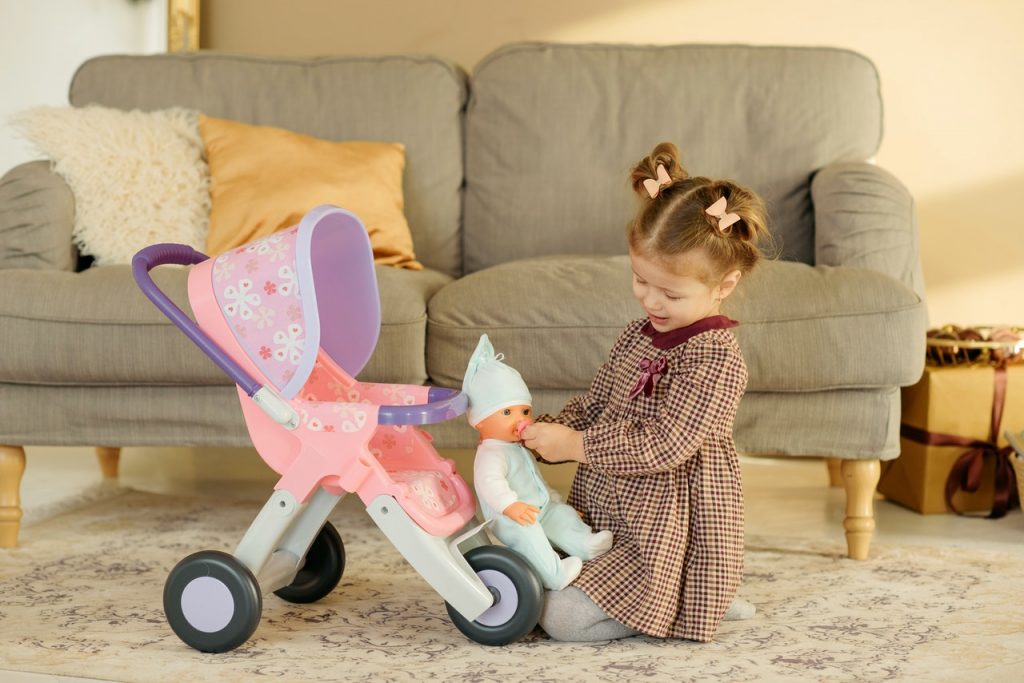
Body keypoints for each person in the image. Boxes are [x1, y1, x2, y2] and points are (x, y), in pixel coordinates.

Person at [521, 141, 769, 642]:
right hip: (613, 511)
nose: (650, 301)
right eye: (640, 280)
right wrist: (547, 427)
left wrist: (576, 447)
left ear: (724, 285)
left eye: (671, 293)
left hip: (668, 524)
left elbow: (665, 444)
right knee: (542, 577)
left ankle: (684, 604)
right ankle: (672, 602)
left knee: (559, 621)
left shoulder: (716, 359)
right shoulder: (638, 335)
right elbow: (597, 403)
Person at [462, 334, 613, 590]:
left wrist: (553, 499)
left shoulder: (517, 446)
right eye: (507, 412)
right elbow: (490, 483)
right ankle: (555, 574)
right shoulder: (491, 453)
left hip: (539, 507)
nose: (520, 418)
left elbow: (535, 480)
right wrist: (510, 506)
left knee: (563, 516)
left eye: (525, 411)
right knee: (531, 540)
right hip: (512, 516)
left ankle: (586, 544)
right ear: (480, 421)